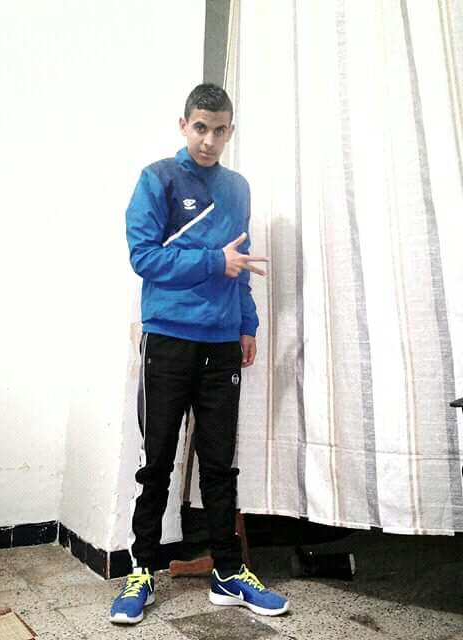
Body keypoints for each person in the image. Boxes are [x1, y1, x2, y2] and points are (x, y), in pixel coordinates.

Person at [110, 83, 289, 624]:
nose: (209, 140)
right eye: (200, 128)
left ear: (230, 131)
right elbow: (144, 257)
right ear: (183, 125)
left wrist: (247, 323)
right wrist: (213, 262)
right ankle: (142, 570)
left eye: (219, 130)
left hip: (222, 343)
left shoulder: (237, 188)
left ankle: (228, 573)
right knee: (157, 462)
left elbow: (241, 262)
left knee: (219, 465)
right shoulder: (157, 178)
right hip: (168, 340)